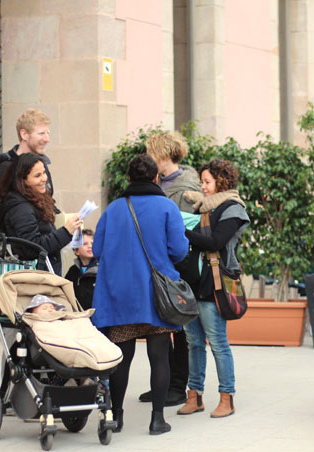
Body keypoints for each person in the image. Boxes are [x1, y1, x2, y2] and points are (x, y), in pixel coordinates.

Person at [91, 154, 189, 435]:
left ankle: (117, 416)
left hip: (119, 296)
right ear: (156, 178)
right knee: (160, 355)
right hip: (156, 296)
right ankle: (157, 419)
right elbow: (180, 250)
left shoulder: (113, 210)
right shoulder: (167, 208)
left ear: (129, 178)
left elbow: (96, 250)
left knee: (121, 356)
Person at [177, 159, 249, 419]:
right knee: (193, 342)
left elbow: (216, 242)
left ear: (222, 181)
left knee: (217, 342)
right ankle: (194, 397)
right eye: (202, 182)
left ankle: (226, 398)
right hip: (193, 282)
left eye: (207, 181)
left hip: (215, 283)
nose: (203, 187)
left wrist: (182, 231)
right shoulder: (202, 208)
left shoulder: (233, 209)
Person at [137, 131, 202, 407]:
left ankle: (178, 386)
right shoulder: (162, 183)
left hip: (180, 267)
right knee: (162, 327)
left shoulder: (187, 188)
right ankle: (162, 385)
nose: (149, 159)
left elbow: (187, 229)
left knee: (180, 329)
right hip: (160, 265)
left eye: (151, 154)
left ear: (163, 156)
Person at [0, 153, 80, 276]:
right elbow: (32, 247)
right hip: (36, 280)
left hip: (43, 275)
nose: (44, 178)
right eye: (37, 175)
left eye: (44, 172)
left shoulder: (34, 200)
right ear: (23, 180)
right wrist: (65, 231)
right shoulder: (20, 208)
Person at [0, 108, 55, 221]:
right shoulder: (5, 168)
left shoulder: (42, 165)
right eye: (41, 133)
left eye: (48, 133)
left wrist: (56, 212)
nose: (47, 139)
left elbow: (45, 201)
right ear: (24, 134)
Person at [64, 228, 98, 311]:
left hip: (99, 314)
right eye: (85, 244)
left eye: (92, 243)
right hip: (81, 315)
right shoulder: (72, 271)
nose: (90, 246)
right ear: (76, 251)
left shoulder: (101, 269)